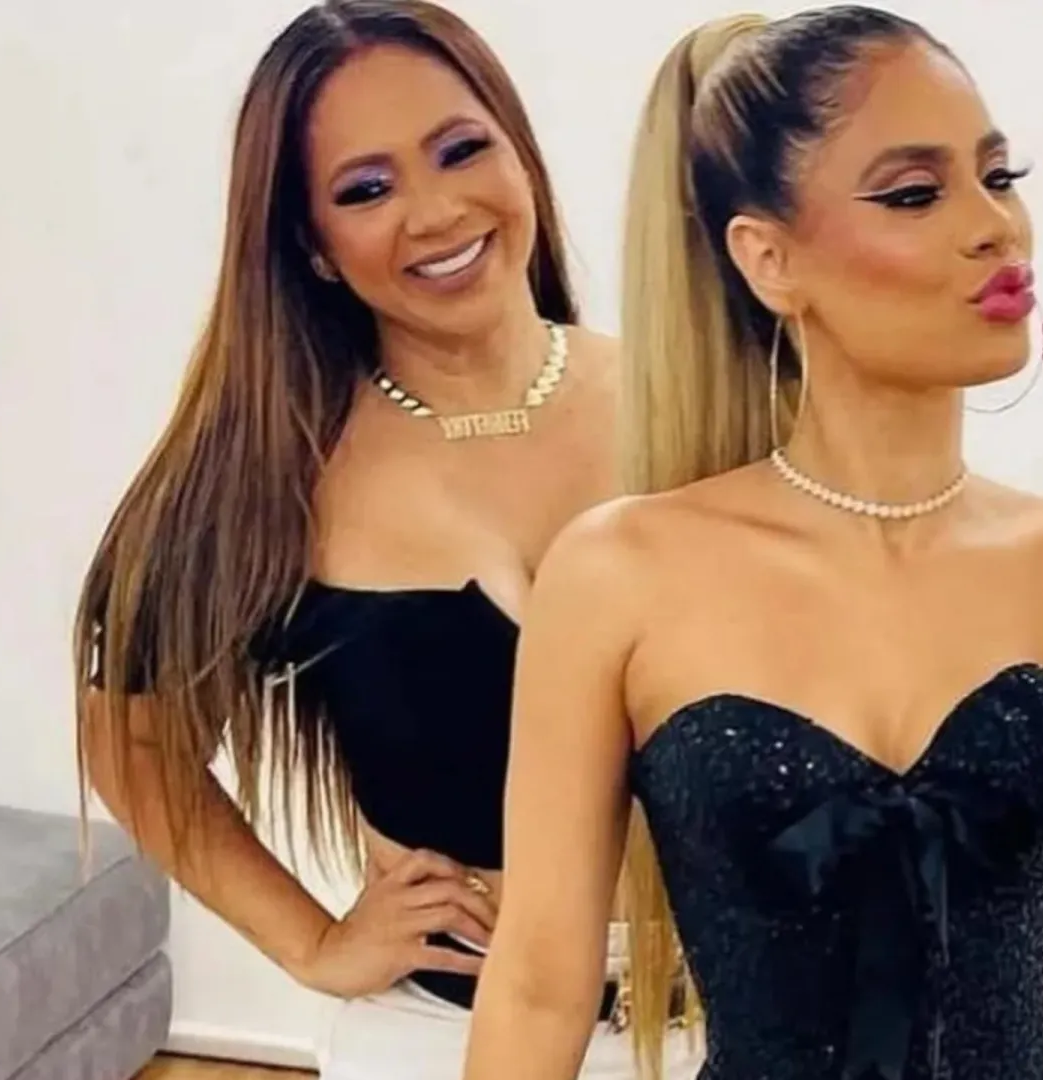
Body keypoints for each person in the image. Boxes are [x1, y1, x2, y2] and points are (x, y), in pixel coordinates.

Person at [462, 7, 1043, 1080]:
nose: (997, 227)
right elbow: (538, 986)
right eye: (914, 194)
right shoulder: (620, 572)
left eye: (1000, 175)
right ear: (768, 259)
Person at [70, 3, 691, 1077]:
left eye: (462, 149)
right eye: (366, 189)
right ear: (311, 245)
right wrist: (312, 944)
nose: (437, 212)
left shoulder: (698, 412)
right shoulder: (275, 476)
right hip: (440, 1039)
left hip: (737, 1024)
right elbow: (131, 738)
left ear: (519, 151)